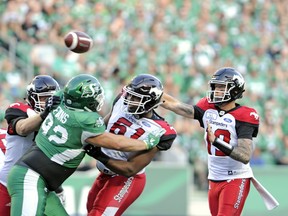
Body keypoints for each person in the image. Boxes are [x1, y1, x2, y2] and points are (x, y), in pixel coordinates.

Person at [7, 74, 165, 216]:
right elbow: (117, 143)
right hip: (30, 179)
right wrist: (145, 143)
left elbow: (68, 90)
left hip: (41, 181)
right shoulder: (86, 120)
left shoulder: (61, 101)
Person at [161, 67, 260, 216]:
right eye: (215, 87)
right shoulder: (207, 108)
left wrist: (217, 142)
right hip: (214, 178)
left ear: (234, 90)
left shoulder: (245, 115)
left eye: (221, 87)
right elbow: (180, 107)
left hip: (235, 178)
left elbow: (245, 156)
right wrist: (155, 94)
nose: (216, 91)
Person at [84, 74, 177, 216]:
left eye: (135, 98)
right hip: (105, 172)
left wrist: (99, 154)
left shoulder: (160, 131)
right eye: (130, 96)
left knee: (98, 213)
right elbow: (104, 124)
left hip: (127, 179)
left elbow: (130, 169)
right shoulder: (121, 102)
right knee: (91, 209)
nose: (129, 100)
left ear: (150, 102)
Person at [0, 75, 68, 216]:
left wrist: (58, 188)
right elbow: (23, 128)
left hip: (38, 186)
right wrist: (45, 114)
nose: (48, 102)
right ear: (32, 98)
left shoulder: (60, 121)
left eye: (52, 98)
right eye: (44, 98)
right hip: (7, 186)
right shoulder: (19, 109)